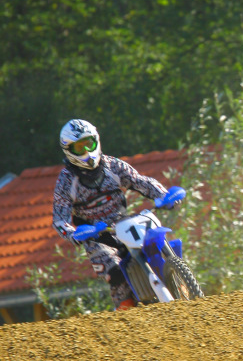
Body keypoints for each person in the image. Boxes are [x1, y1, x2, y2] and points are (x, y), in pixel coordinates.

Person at [52, 119, 171, 310]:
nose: (86, 151)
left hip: (124, 224)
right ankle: (125, 313)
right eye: (79, 147)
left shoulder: (112, 165)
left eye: (89, 144)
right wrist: (73, 234)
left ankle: (178, 280)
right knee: (116, 274)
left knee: (154, 244)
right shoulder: (66, 181)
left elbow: (139, 181)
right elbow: (59, 219)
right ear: (68, 150)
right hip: (96, 236)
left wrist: (163, 196)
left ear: (96, 140)